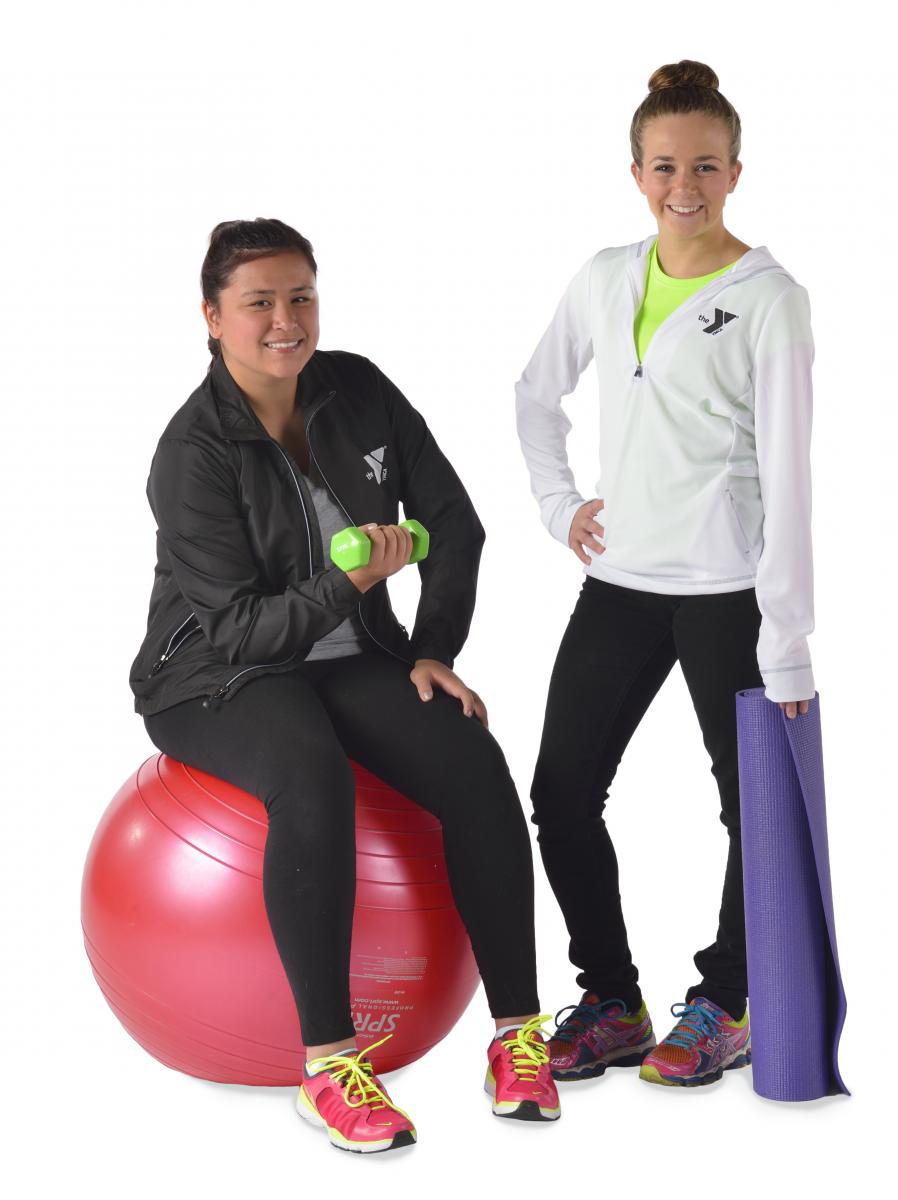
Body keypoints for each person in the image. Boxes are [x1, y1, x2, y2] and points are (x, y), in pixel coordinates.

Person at [130, 218, 560, 1152]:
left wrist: (432, 647)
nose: (285, 321)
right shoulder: (192, 452)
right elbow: (240, 626)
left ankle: (518, 1036)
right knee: (310, 776)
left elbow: (455, 520)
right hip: (216, 674)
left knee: (471, 756)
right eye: (259, 303)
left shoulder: (356, 389)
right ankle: (330, 1066)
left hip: (351, 653)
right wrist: (355, 579)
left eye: (301, 297)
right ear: (211, 316)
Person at [515, 60, 816, 1089]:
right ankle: (611, 1001)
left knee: (752, 810)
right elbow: (533, 394)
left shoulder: (769, 300)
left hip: (726, 590)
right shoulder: (605, 275)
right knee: (559, 791)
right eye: (662, 166)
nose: (681, 184)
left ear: (735, 171)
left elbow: (789, 476)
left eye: (703, 165)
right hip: (622, 584)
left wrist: (787, 639)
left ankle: (726, 1002)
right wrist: (561, 508)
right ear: (634, 171)